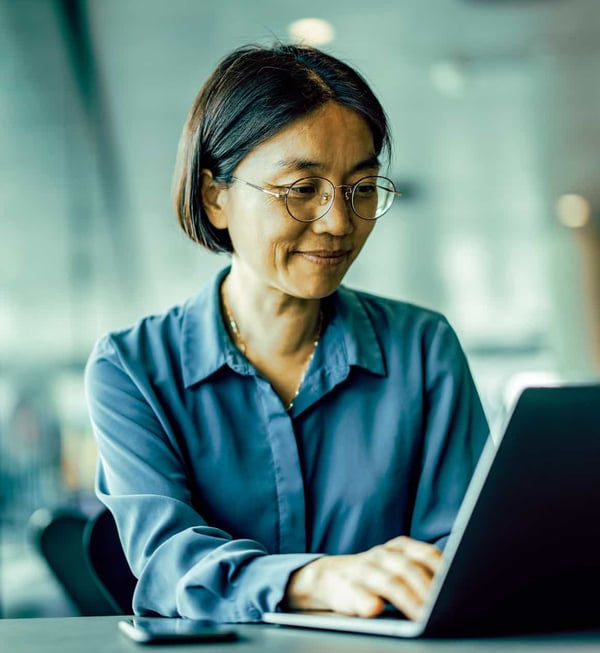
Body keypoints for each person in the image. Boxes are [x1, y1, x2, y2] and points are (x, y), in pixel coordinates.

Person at [85, 43, 489, 624]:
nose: (340, 223)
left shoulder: (422, 349)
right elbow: (167, 562)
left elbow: (460, 551)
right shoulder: (132, 368)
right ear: (215, 197)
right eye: (302, 189)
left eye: (362, 188)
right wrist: (316, 578)